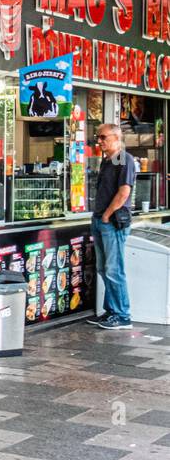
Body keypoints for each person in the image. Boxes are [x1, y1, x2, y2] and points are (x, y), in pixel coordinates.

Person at [87, 123, 138, 329]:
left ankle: (122, 314)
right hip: (100, 219)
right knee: (103, 268)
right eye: (98, 137)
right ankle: (111, 311)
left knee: (114, 269)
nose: (99, 141)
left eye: (103, 137)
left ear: (116, 138)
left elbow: (124, 192)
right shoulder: (108, 160)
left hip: (112, 222)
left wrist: (107, 215)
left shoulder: (124, 159)